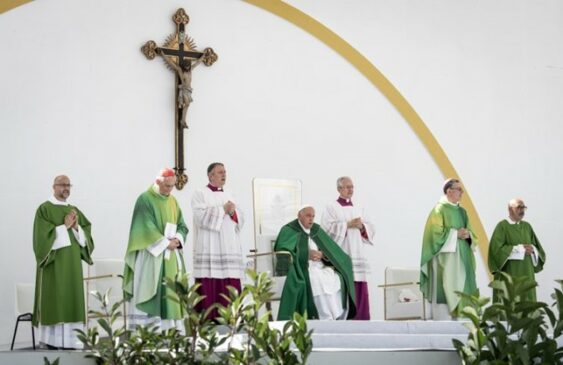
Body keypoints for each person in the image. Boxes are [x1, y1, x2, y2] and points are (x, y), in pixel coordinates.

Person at [32, 175, 94, 349]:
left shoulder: (74, 209)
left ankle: (72, 342)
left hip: (73, 265)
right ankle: (52, 341)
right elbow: (41, 239)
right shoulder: (44, 209)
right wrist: (64, 227)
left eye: (68, 185)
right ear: (54, 187)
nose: (66, 188)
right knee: (55, 299)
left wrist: (76, 228)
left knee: (72, 298)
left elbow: (86, 234)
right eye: (62, 185)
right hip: (53, 265)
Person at [123, 168, 188, 331]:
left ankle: (170, 331)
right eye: (167, 186)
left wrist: (177, 240)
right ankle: (150, 332)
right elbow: (144, 227)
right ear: (158, 182)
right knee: (151, 290)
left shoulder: (173, 201)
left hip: (170, 255)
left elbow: (182, 224)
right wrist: (166, 243)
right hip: (151, 256)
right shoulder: (144, 199)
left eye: (172, 186)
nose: (170, 190)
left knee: (171, 293)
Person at [275, 205, 356, 321]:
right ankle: (322, 317)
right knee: (317, 279)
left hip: (320, 266)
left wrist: (322, 255)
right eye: (308, 216)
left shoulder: (316, 230)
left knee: (336, 278)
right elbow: (283, 251)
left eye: (313, 216)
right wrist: (306, 254)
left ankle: (335, 317)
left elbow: (330, 250)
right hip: (302, 267)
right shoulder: (289, 230)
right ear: (299, 215)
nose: (311, 219)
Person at [419, 178, 478, 320]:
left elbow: (473, 234)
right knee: (445, 289)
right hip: (446, 260)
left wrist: (467, 235)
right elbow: (434, 235)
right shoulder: (439, 210)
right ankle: (444, 320)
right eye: (459, 189)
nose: (462, 193)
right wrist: (455, 234)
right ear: (449, 191)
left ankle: (465, 321)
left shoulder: (462, 212)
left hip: (463, 258)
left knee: (464, 291)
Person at [192, 162, 244, 319]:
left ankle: (233, 322)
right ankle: (208, 322)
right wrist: (223, 209)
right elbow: (200, 217)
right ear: (210, 175)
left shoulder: (230, 193)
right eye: (220, 172)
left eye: (225, 172)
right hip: (210, 247)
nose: (224, 175)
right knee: (209, 284)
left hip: (229, 247)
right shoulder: (199, 193)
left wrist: (234, 212)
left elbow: (241, 218)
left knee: (230, 285)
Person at [321, 177, 374, 320]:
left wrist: (362, 227)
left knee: (360, 283)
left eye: (352, 187)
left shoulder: (359, 207)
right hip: (342, 252)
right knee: (344, 283)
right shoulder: (331, 207)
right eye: (347, 187)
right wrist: (348, 225)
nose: (350, 190)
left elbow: (371, 228)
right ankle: (346, 318)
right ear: (339, 189)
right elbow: (327, 230)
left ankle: (362, 317)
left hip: (357, 251)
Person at [488, 198, 546, 302]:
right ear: (510, 209)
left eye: (524, 207)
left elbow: (538, 249)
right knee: (511, 303)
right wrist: (519, 249)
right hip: (511, 273)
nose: (522, 210)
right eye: (519, 207)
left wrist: (533, 250)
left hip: (527, 273)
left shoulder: (527, 227)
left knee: (527, 304)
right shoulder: (502, 226)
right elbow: (496, 251)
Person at [158, 48, 202, 129]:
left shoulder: (190, 70)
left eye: (188, 66)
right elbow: (171, 63)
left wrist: (204, 56)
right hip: (184, 90)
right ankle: (182, 121)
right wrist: (163, 55)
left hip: (189, 90)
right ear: (184, 66)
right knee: (187, 104)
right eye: (186, 66)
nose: (188, 67)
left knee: (187, 105)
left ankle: (182, 121)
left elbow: (198, 63)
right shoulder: (180, 71)